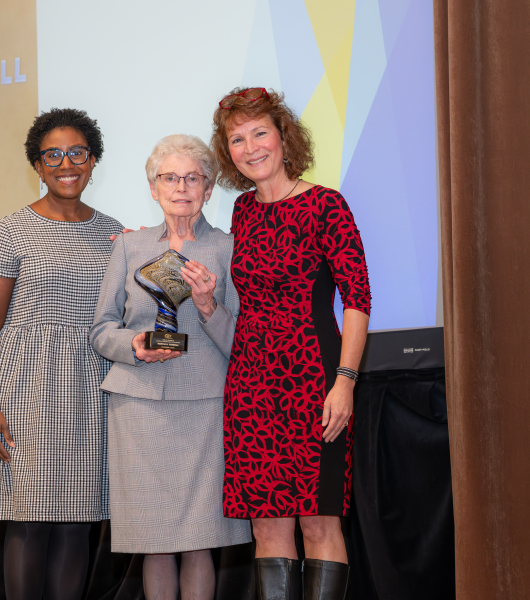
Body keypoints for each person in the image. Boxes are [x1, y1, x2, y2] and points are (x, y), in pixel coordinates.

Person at [210, 88, 372, 600]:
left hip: (314, 376)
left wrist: (344, 383)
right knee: (267, 529)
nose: (251, 146)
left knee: (319, 525)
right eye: (238, 138)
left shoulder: (325, 203)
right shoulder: (241, 212)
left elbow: (358, 298)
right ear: (228, 152)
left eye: (260, 132)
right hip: (252, 383)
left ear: (284, 138)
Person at [0, 108, 122, 600]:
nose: (66, 163)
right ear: (37, 165)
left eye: (77, 152)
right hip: (25, 392)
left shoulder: (114, 233)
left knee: (78, 525)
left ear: (93, 160)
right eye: (52, 155)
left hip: (90, 390)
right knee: (29, 520)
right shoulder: (10, 230)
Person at [90, 134, 251, 600]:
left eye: (193, 178)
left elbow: (241, 341)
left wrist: (206, 306)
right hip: (137, 407)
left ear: (208, 187)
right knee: (154, 543)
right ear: (152, 186)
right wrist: (134, 345)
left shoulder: (229, 248)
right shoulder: (129, 246)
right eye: (169, 177)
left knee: (200, 542)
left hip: (205, 407)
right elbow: (100, 330)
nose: (181, 187)